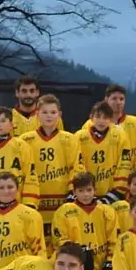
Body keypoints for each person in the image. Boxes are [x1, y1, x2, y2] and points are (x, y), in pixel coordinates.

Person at [21, 95, 84, 235]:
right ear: (37, 114)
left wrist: (71, 193)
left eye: (53, 112)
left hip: (62, 200)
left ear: (59, 115)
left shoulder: (70, 140)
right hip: (35, 202)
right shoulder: (25, 140)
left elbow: (77, 168)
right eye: (44, 112)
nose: (49, 116)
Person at [51, 173, 121, 270]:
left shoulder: (107, 212)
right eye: (81, 191)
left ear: (95, 190)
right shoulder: (64, 211)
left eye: (89, 190)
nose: (86, 195)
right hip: (75, 267)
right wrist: (79, 254)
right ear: (74, 192)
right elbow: (60, 240)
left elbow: (114, 240)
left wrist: (109, 262)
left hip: (101, 266)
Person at [79, 101, 131, 203]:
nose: (101, 121)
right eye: (98, 117)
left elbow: (125, 164)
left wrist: (117, 191)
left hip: (113, 194)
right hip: (86, 195)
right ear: (91, 117)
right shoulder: (79, 137)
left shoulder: (121, 136)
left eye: (105, 118)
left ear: (111, 119)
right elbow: (77, 165)